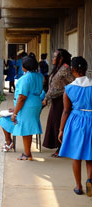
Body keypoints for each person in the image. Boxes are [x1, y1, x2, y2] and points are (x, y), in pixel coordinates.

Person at [0, 54, 43, 160]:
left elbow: (22, 97)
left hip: (27, 105)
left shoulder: (25, 79)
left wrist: (15, 113)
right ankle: (22, 150)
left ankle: (27, 154)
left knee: (24, 128)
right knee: (28, 127)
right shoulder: (39, 76)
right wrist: (16, 108)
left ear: (24, 66)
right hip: (35, 104)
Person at [58, 57, 92, 196]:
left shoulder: (69, 89)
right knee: (90, 156)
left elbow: (66, 111)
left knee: (76, 155)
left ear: (72, 70)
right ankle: (90, 179)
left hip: (76, 121)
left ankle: (78, 186)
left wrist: (61, 130)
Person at [42, 49, 74, 157]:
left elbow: (72, 83)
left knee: (59, 125)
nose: (52, 58)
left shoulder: (65, 68)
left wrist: (65, 92)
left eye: (55, 56)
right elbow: (52, 87)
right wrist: (46, 97)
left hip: (62, 101)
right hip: (55, 101)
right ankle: (59, 148)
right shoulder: (58, 68)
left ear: (61, 58)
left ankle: (62, 149)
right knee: (53, 124)